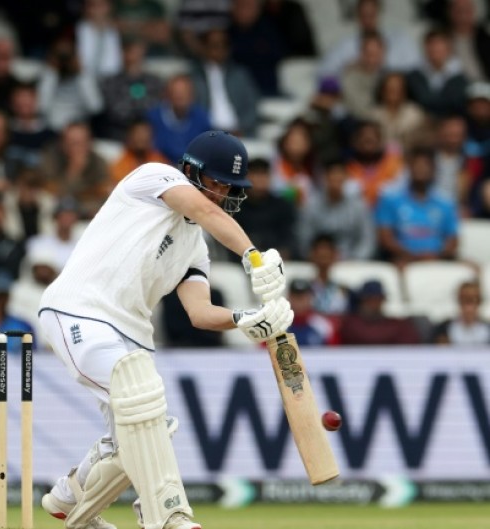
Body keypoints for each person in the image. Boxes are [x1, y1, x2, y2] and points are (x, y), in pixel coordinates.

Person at [37, 130, 292, 529]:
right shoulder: (153, 177)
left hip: (133, 335)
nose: (221, 194)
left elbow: (201, 313)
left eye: (230, 187)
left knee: (134, 436)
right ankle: (168, 516)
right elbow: (208, 213)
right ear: (191, 171)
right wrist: (254, 257)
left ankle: (68, 497)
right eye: (217, 182)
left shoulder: (196, 246)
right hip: (78, 312)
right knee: (148, 412)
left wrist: (245, 318)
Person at [339, 279, 420, 345]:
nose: (374, 303)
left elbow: (410, 341)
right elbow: (366, 337)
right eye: (369, 299)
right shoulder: (351, 323)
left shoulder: (397, 324)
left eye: (378, 299)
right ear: (361, 301)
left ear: (383, 300)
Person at [433, 280, 490, 344]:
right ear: (459, 301)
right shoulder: (443, 329)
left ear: (479, 303)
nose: (468, 308)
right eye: (464, 301)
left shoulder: (487, 329)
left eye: (472, 301)